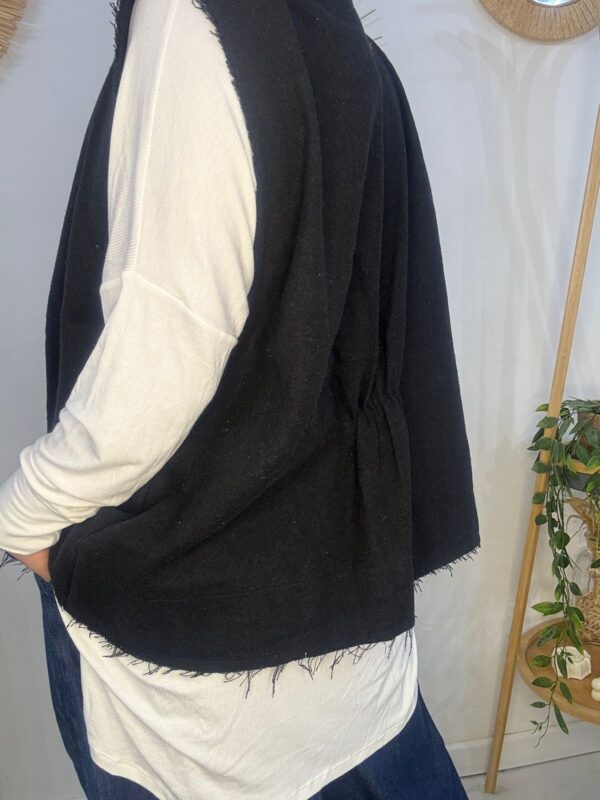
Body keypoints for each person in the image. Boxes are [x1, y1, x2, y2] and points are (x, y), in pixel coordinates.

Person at [0, 1, 478, 798]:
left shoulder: (188, 22)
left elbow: (162, 361)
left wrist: (21, 515)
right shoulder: (325, 27)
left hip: (189, 666)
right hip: (339, 605)